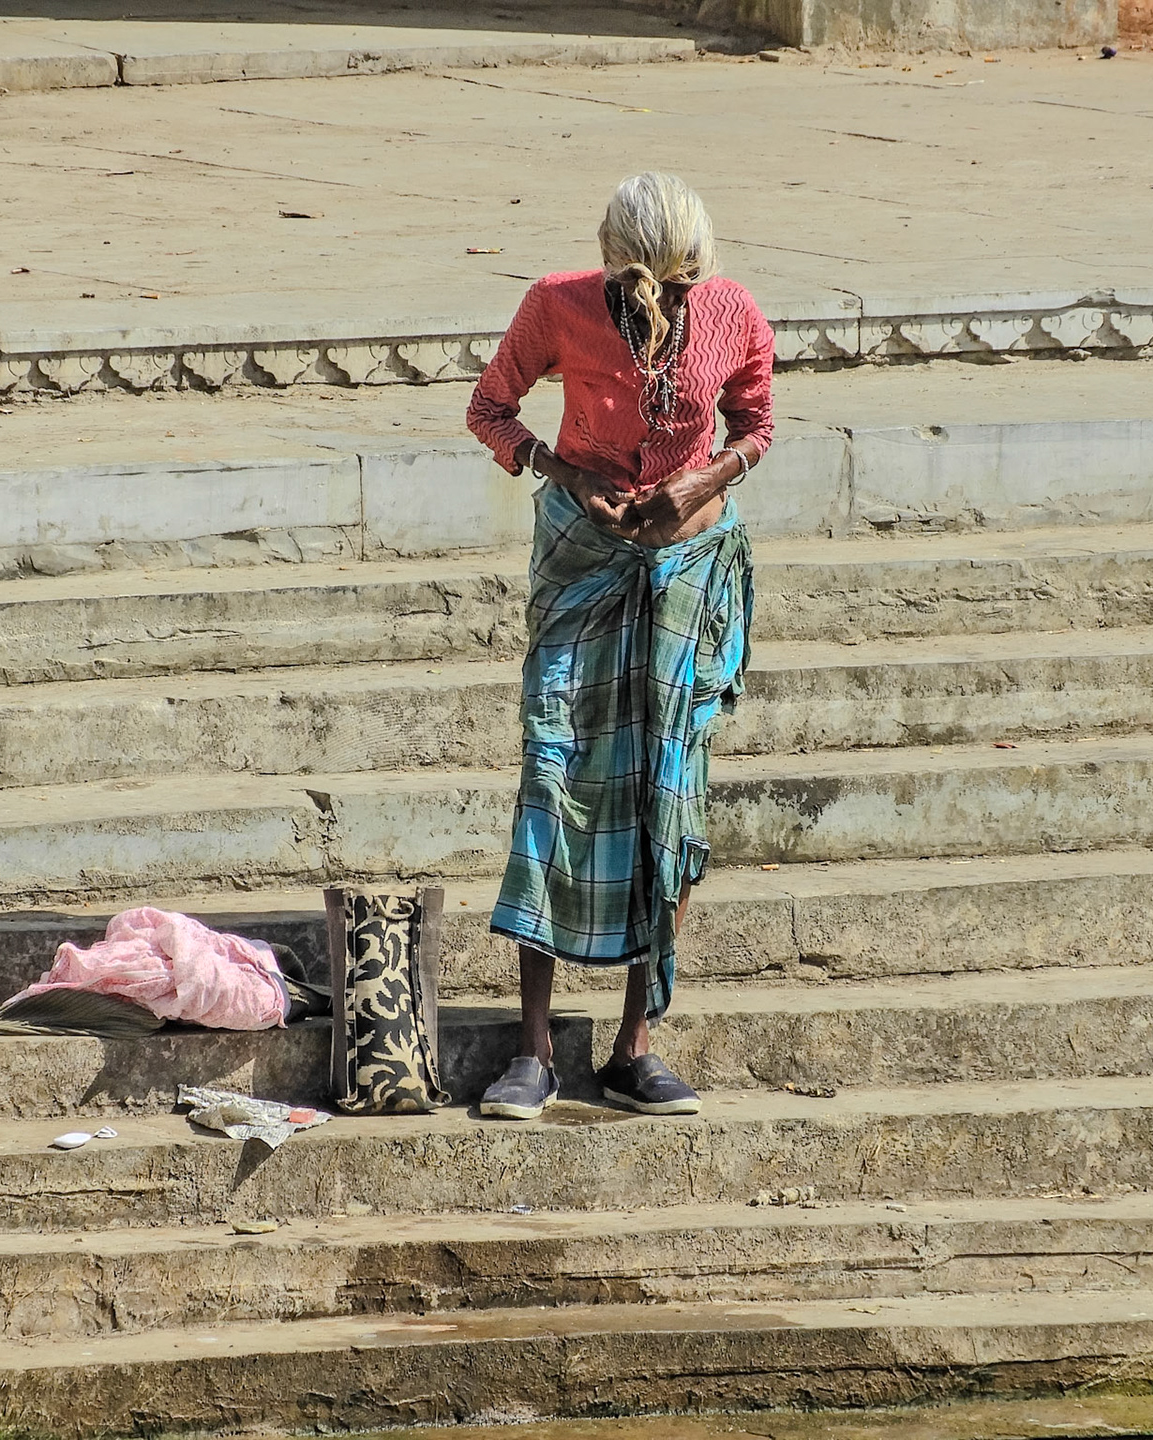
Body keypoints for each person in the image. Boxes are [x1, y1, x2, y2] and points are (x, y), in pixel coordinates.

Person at [464, 172, 774, 1120]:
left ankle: (635, 1048)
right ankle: (533, 1051)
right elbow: (492, 410)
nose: (671, 308)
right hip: (582, 556)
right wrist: (562, 470)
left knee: (665, 794)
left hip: (689, 568)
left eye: (684, 292)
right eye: (656, 291)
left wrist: (701, 483)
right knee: (553, 774)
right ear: (613, 270)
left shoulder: (732, 312)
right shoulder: (556, 306)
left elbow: (756, 425)